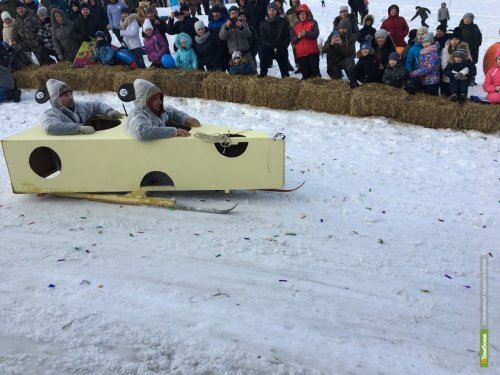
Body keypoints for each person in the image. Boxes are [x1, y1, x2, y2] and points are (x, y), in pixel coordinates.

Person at [40, 79, 123, 136]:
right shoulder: (51, 113)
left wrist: (108, 111)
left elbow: (96, 105)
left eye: (71, 94)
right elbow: (50, 127)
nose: (70, 97)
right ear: (56, 99)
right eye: (65, 95)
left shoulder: (79, 106)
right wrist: (78, 128)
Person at [125, 79, 201, 140]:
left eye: (160, 98)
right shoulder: (137, 116)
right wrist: (175, 131)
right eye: (156, 99)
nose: (160, 102)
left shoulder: (156, 111)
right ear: (147, 102)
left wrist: (186, 119)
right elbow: (142, 132)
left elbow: (173, 112)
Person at [11, 1, 53, 66]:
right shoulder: (17, 19)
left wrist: (38, 39)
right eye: (18, 9)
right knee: (15, 49)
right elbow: (15, 31)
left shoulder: (31, 15)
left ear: (24, 8)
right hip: (26, 43)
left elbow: (40, 27)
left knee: (45, 60)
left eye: (21, 8)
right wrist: (14, 39)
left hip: (37, 43)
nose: (20, 10)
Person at [258, 2, 290, 78]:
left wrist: (281, 47)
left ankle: (285, 75)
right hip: (269, 47)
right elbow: (263, 39)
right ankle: (263, 73)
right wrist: (273, 47)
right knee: (262, 50)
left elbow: (287, 37)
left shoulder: (283, 21)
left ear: (277, 11)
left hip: (281, 47)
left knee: (284, 70)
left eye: (273, 10)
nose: (271, 12)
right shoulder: (263, 23)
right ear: (267, 11)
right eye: (269, 10)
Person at [322, 17, 358, 88]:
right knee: (336, 82)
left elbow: (352, 53)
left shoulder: (351, 37)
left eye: (344, 28)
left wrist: (342, 44)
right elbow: (324, 50)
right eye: (340, 28)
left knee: (350, 62)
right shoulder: (333, 35)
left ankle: (353, 83)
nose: (341, 30)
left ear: (348, 28)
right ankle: (338, 73)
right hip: (333, 62)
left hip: (344, 60)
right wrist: (330, 44)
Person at [219, 5, 255, 71]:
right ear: (229, 15)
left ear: (238, 14)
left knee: (252, 71)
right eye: (232, 13)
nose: (234, 15)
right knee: (238, 74)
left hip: (245, 52)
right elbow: (222, 37)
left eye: (235, 13)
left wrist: (241, 27)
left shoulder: (243, 23)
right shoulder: (224, 25)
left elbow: (248, 34)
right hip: (234, 54)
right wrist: (226, 28)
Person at [291, 3, 320, 80]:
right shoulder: (295, 26)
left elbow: (315, 34)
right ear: (298, 16)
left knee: (315, 74)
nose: (302, 16)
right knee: (305, 75)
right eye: (300, 15)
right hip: (301, 54)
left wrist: (305, 33)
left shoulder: (313, 22)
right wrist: (298, 36)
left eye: (303, 14)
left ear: (307, 14)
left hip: (313, 52)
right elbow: (293, 40)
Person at [440, 27, 471, 96]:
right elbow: (444, 64)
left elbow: (469, 63)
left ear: (460, 41)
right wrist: (453, 74)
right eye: (452, 39)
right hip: (448, 77)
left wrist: (461, 74)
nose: (454, 41)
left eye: (456, 39)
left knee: (461, 96)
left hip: (462, 77)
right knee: (447, 96)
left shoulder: (465, 50)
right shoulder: (445, 50)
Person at [459, 12, 481, 85]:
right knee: (464, 64)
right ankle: (464, 78)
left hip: (474, 49)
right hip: (464, 50)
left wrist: (478, 44)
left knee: (472, 64)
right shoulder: (460, 27)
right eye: (465, 18)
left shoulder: (475, 27)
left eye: (469, 18)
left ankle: (472, 79)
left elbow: (479, 36)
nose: (467, 20)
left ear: (472, 19)